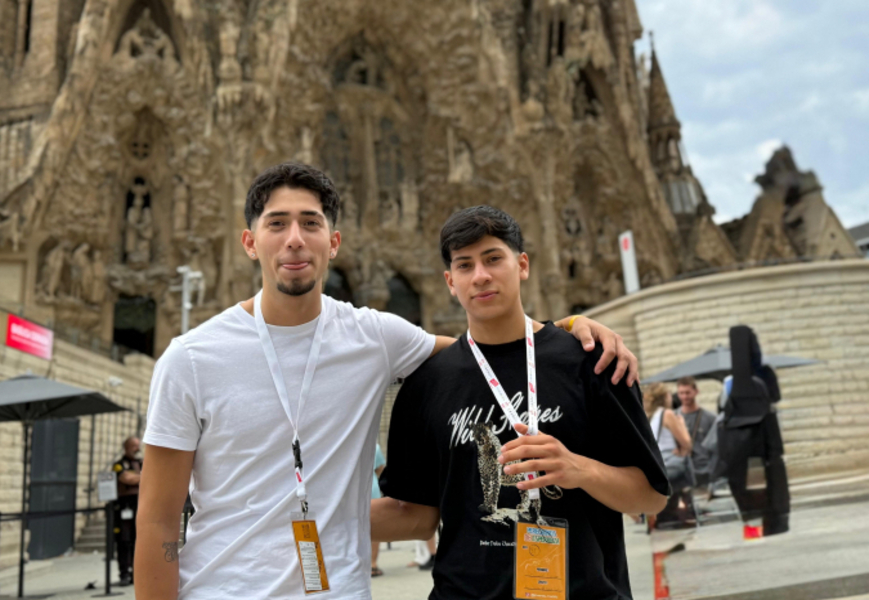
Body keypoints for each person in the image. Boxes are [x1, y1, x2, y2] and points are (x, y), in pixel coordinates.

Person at [135, 163, 641, 600]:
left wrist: (565, 331)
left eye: (310, 223)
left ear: (333, 243)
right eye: (277, 224)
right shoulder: (192, 358)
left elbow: (483, 352)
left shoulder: (373, 336)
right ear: (249, 242)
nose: (294, 239)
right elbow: (158, 520)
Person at [371, 206, 669, 600]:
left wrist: (577, 469)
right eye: (465, 265)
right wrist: (298, 519)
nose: (481, 276)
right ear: (450, 281)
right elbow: (417, 517)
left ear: (522, 264)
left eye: (493, 258)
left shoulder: (591, 361)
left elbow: (651, 496)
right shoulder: (427, 383)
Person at [718, 325, 790, 538]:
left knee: (752, 490)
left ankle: (756, 530)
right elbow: (775, 399)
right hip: (763, 440)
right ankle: (772, 526)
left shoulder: (733, 380)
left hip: (744, 445)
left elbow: (723, 409)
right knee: (769, 486)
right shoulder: (763, 374)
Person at [645, 383, 692, 527]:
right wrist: (682, 423)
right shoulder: (667, 414)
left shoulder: (649, 416)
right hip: (671, 465)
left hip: (657, 465)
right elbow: (687, 443)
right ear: (665, 397)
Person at [113, 436, 143, 585]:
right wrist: (143, 477)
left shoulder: (141, 463)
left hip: (139, 505)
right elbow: (126, 479)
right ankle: (124, 573)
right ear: (126, 447)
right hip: (124, 507)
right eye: (134, 446)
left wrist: (137, 477)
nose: (137, 449)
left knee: (138, 540)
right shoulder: (119, 464)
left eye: (138, 445)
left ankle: (136, 573)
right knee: (124, 541)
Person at [675, 376, 716, 486]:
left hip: (705, 471)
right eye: (681, 393)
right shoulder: (673, 418)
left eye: (688, 393)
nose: (684, 396)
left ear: (696, 392)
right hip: (682, 472)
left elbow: (716, 447)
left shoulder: (710, 417)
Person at [370, 444, 386, 577]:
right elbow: (381, 467)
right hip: (371, 487)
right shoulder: (374, 446)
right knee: (374, 528)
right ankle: (373, 564)